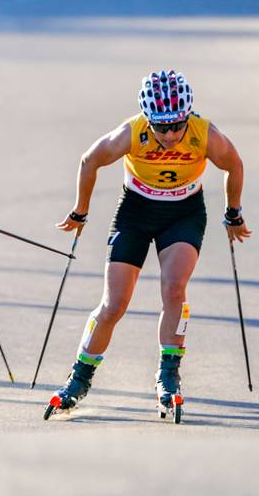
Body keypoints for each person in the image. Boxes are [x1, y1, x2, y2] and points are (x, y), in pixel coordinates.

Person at [45, 70, 251, 421]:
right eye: (161, 127)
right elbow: (89, 160)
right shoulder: (132, 132)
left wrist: (233, 213)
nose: (170, 135)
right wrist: (80, 211)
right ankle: (78, 380)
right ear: (147, 119)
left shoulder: (204, 134)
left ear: (187, 117)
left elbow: (234, 165)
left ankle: (168, 377)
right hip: (136, 212)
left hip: (183, 214)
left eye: (177, 126)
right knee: (113, 304)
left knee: (174, 290)